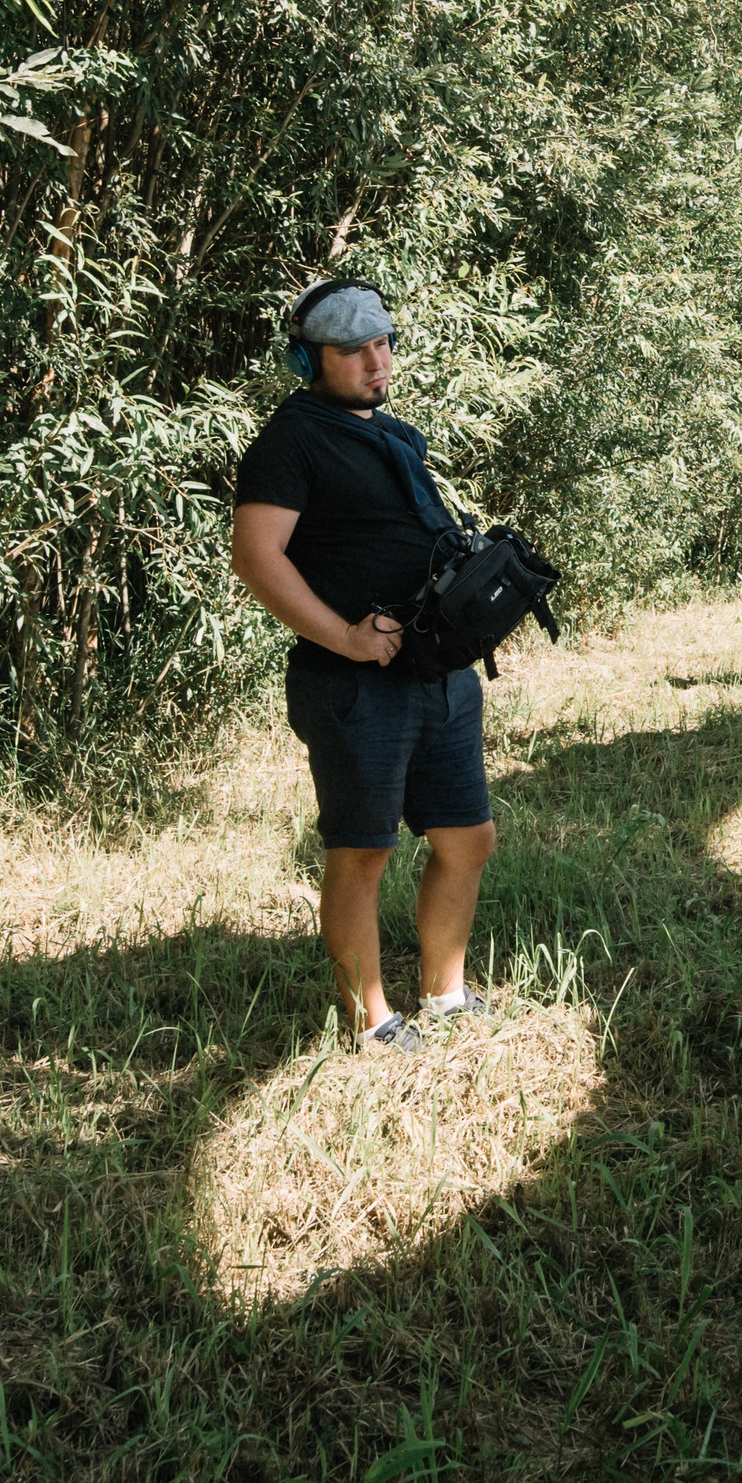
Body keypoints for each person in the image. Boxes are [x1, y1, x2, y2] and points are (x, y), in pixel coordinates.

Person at [230, 280, 497, 1056]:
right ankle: (370, 1021)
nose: (376, 362)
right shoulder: (292, 440)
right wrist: (343, 636)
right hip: (354, 684)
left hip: (436, 672)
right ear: (310, 360)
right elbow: (256, 558)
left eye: (382, 345)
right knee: (363, 849)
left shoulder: (395, 436)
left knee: (468, 838)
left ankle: (445, 996)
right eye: (353, 351)